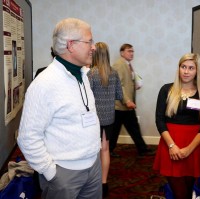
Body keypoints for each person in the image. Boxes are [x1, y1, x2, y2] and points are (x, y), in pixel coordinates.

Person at [17, 18, 102, 199]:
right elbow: (27, 137)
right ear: (71, 45)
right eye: (89, 42)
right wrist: (51, 173)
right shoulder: (45, 84)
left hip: (93, 166)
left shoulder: (83, 74)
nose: (94, 47)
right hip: (63, 173)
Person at [153, 53, 200, 199]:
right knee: (179, 192)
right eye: (183, 67)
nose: (186, 71)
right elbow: (159, 120)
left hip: (193, 147)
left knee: (187, 190)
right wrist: (172, 146)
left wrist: (189, 150)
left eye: (191, 68)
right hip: (171, 145)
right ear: (178, 68)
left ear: (197, 71)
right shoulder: (166, 90)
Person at [87, 42, 123, 198]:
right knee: (105, 149)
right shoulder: (114, 73)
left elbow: (86, 98)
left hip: (93, 119)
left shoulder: (91, 73)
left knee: (93, 151)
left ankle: (92, 182)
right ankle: (104, 182)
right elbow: (119, 96)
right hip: (109, 117)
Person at [109, 43, 154, 157]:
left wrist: (134, 85)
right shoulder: (119, 65)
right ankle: (109, 150)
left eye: (132, 51)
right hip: (120, 105)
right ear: (122, 53)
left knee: (133, 127)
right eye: (129, 51)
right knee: (115, 129)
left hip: (126, 106)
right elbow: (117, 85)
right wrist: (127, 100)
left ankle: (142, 149)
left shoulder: (128, 64)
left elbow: (126, 83)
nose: (131, 53)